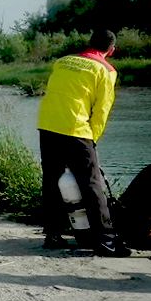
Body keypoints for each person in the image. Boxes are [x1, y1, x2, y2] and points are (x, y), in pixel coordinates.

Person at [37, 29, 129, 257]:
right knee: (91, 184)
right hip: (76, 129)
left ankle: (53, 234)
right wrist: (93, 139)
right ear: (111, 50)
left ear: (89, 43)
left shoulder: (62, 62)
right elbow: (101, 111)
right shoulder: (106, 70)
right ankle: (105, 239)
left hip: (47, 125)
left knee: (51, 181)